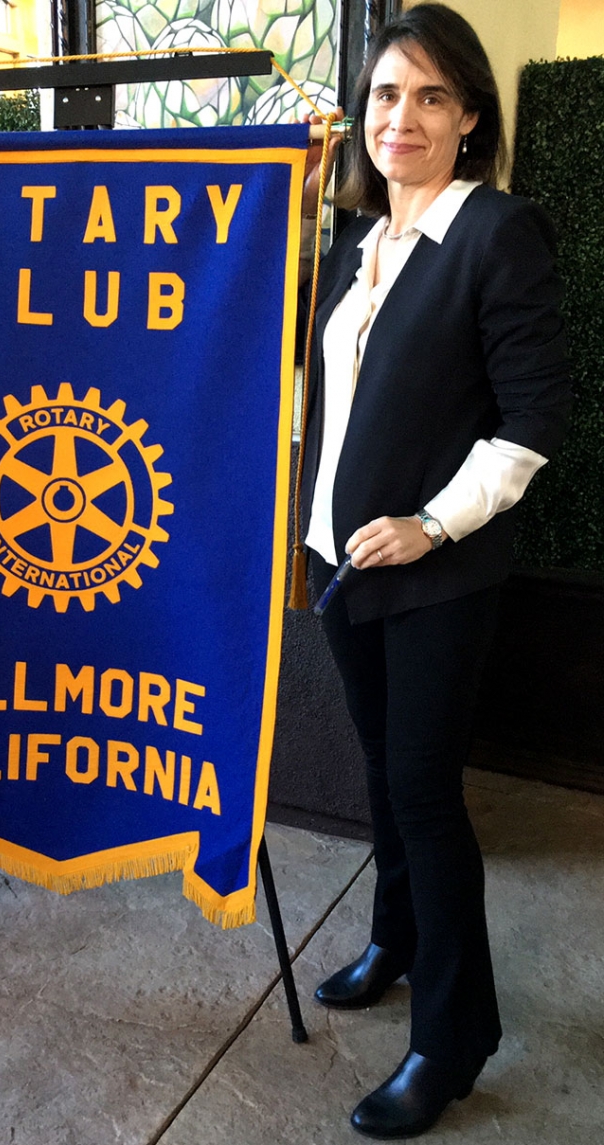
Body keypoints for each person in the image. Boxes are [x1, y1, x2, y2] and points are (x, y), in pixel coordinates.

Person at [299, 5, 570, 1138]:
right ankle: (395, 942)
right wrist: (300, 176)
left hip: (433, 576)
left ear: (468, 118)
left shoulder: (496, 232)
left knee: (422, 793)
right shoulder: (350, 246)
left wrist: (428, 522)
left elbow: (530, 421)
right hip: (340, 564)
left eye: (426, 97)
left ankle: (452, 1039)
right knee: (382, 772)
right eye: (381, 98)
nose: (398, 119)